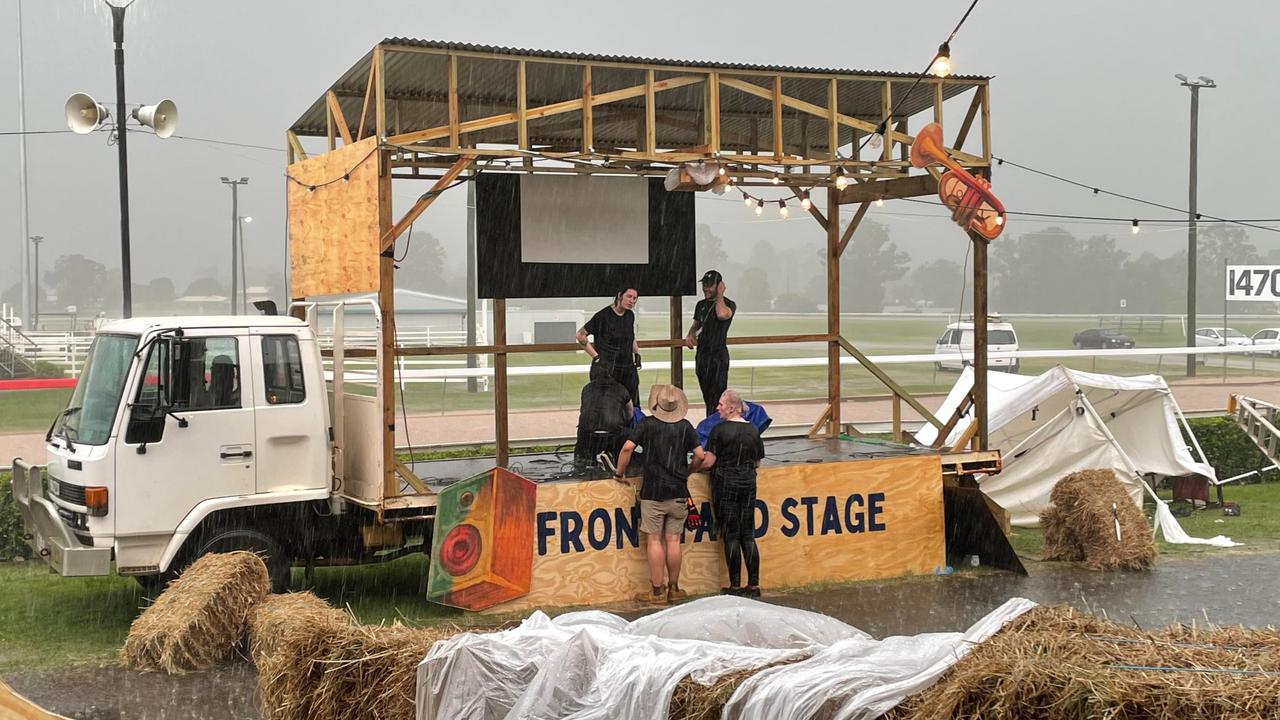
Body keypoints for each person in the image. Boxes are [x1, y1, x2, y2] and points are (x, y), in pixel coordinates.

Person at [614, 384, 705, 605]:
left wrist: (620, 472)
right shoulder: (685, 426)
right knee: (673, 540)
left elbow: (627, 448)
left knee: (654, 540)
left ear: (657, 404)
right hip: (678, 491)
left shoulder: (646, 425)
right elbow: (700, 455)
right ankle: (674, 588)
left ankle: (656, 591)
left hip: (653, 492)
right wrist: (688, 471)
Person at [702, 389, 765, 598]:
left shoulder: (719, 431)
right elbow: (757, 461)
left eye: (721, 404)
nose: (717, 408)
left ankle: (735, 585)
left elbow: (709, 462)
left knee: (730, 534)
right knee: (748, 534)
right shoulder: (753, 430)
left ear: (731, 407)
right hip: (748, 482)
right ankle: (754, 584)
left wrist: (695, 467)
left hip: (725, 482)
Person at [578, 287, 641, 406]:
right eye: (629, 296)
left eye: (635, 298)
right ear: (619, 296)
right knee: (606, 406)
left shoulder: (630, 315)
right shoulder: (602, 316)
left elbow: (631, 336)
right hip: (606, 369)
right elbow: (580, 335)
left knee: (632, 405)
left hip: (627, 368)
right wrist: (596, 357)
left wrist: (636, 353)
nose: (632, 301)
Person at [685, 270, 736, 415]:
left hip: (718, 355)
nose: (706, 289)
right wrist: (690, 334)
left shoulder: (728, 304)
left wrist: (720, 294)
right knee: (707, 395)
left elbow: (721, 315)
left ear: (719, 286)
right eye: (704, 285)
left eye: (710, 286)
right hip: (702, 355)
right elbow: (697, 325)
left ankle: (717, 424)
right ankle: (711, 422)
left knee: (718, 397)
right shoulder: (701, 305)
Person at [574, 361, 634, 470]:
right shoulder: (621, 388)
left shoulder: (587, 388)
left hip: (588, 435)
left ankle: (583, 461)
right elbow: (630, 413)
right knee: (629, 434)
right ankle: (620, 462)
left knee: (582, 434)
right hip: (614, 435)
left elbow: (584, 410)